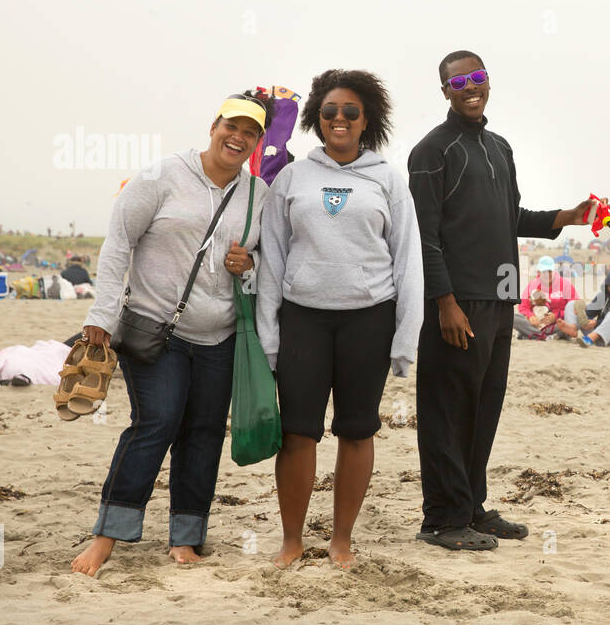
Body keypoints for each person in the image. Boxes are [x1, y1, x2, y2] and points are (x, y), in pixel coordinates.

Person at [70, 90, 271, 576]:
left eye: (250, 132)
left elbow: (266, 264)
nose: (238, 137)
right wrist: (101, 315)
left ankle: (186, 538)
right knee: (156, 422)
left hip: (220, 336)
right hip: (155, 330)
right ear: (213, 126)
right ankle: (107, 536)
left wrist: (251, 264)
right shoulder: (161, 176)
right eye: (232, 126)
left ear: (258, 142)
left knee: (203, 433)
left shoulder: (257, 195)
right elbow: (119, 242)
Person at [409, 50, 592, 552]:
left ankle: (471, 507)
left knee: (483, 408)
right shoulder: (432, 152)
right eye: (459, 80)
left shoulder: (499, 147)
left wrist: (566, 216)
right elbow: (424, 236)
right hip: (457, 302)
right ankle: (443, 519)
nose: (471, 87)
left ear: (489, 82)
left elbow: (510, 217)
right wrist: (444, 301)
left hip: (499, 299)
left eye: (479, 77)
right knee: (448, 410)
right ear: (444, 89)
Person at [258, 70, 423, 569]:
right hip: (303, 319)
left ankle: (341, 541)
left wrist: (404, 342)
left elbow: (407, 260)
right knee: (298, 432)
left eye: (350, 111)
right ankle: (292, 541)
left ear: (366, 119)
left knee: (356, 430)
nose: (340, 119)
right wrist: (270, 336)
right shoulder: (292, 178)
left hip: (368, 320)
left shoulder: (388, 180)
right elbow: (272, 260)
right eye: (330, 111)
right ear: (316, 118)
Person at [557, 268, 610, 346]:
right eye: (609, 286)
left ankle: (590, 339)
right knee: (572, 304)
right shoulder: (602, 296)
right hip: (598, 335)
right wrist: (580, 313)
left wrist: (597, 323)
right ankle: (572, 328)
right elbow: (589, 313)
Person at [514, 255, 578, 339]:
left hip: (557, 324)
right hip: (536, 324)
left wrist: (556, 316)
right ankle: (543, 336)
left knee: (571, 322)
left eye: (549, 271)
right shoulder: (533, 285)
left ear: (554, 271)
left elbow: (575, 307)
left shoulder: (565, 285)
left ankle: (532, 335)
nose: (547, 274)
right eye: (544, 271)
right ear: (539, 272)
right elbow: (523, 306)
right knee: (513, 318)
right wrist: (531, 316)